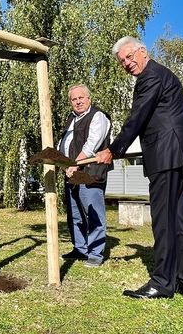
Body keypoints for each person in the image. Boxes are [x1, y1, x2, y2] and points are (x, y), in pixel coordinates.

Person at [96, 36, 183, 299]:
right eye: (122, 62)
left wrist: (114, 149)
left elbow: (137, 117)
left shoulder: (150, 76)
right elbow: (182, 111)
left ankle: (162, 283)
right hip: (176, 152)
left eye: (129, 57)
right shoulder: (165, 75)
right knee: (179, 218)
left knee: (164, 219)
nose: (127, 64)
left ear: (143, 51)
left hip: (165, 155)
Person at [58, 84, 112, 267]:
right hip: (71, 173)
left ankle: (95, 253)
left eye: (81, 98)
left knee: (93, 213)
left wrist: (74, 164)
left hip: (91, 174)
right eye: (74, 99)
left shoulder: (98, 116)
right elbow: (64, 143)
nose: (78, 102)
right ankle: (80, 248)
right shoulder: (70, 119)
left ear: (89, 99)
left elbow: (91, 146)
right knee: (75, 214)